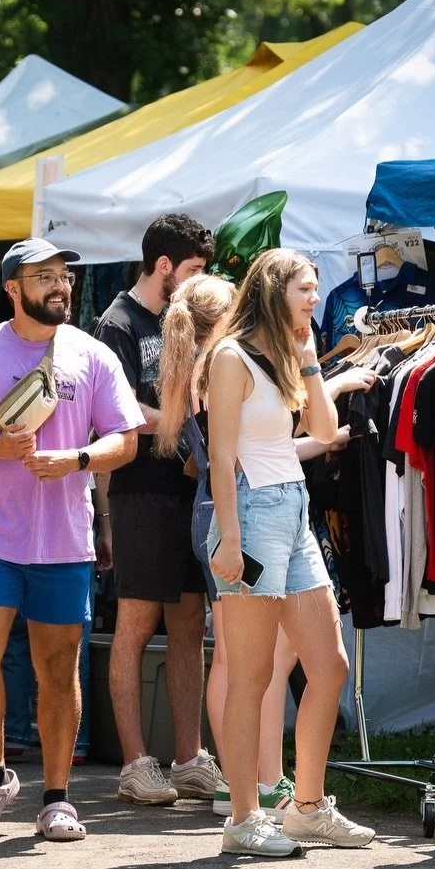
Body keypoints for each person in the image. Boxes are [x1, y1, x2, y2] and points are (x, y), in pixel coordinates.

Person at [0, 238, 142, 842]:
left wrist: (76, 459)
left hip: (63, 540)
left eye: (64, 276)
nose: (61, 286)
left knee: (57, 667)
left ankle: (56, 797)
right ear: (14, 288)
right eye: (44, 277)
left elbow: (124, 440)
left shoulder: (92, 355)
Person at [203, 249, 375, 858]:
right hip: (249, 517)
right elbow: (219, 455)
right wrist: (228, 537)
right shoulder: (229, 356)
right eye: (305, 289)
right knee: (251, 676)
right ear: (274, 290)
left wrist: (307, 361)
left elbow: (325, 432)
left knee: (328, 667)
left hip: (292, 512)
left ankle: (306, 807)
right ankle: (244, 818)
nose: (314, 299)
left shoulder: (284, 355)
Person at [93, 213, 221, 809]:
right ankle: (135, 763)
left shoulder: (194, 319)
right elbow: (112, 411)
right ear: (163, 265)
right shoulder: (116, 323)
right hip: (140, 488)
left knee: (190, 624)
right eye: (193, 270)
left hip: (193, 491)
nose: (201, 281)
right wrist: (181, 426)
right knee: (136, 626)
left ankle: (191, 759)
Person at [155, 273, 295, 813]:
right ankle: (252, 782)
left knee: (236, 655)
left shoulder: (197, 371)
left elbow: (204, 459)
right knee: (255, 656)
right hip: (236, 518)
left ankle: (239, 781)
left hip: (214, 515)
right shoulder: (224, 368)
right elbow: (233, 458)